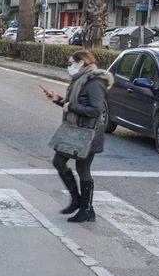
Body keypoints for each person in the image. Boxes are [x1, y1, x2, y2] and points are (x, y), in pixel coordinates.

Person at [40, 50, 114, 223]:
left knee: (80, 169)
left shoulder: (95, 83)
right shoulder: (81, 79)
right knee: (61, 162)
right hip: (77, 130)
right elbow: (73, 104)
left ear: (81, 63)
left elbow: (96, 111)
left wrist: (70, 106)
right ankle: (80, 203)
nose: (69, 66)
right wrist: (57, 99)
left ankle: (84, 208)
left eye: (71, 62)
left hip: (88, 133)